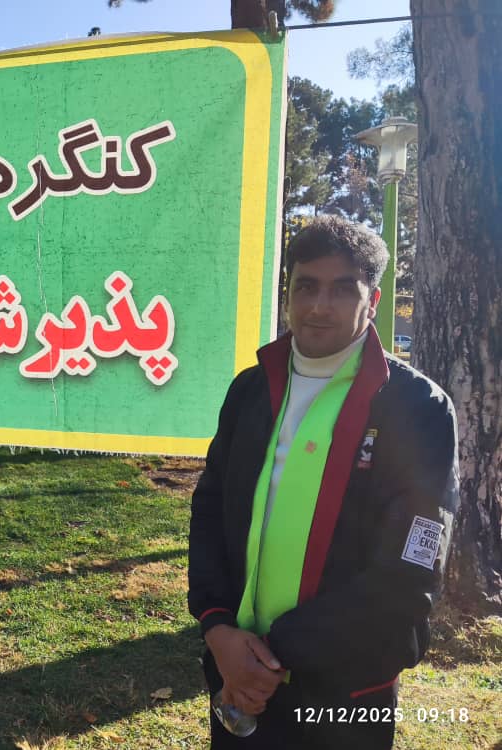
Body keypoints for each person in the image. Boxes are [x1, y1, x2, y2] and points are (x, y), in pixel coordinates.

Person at [187, 215, 458, 749]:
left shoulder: (415, 407)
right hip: (235, 673)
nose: (318, 306)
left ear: (372, 301)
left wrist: (275, 653)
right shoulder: (250, 390)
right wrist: (217, 628)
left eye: (342, 289)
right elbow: (210, 509)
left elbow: (412, 566)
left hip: (345, 689)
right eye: (306, 286)